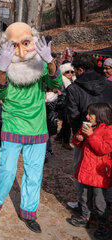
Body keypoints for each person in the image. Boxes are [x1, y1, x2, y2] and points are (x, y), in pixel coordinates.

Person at [0, 22, 62, 233]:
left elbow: (55, 84)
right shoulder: (5, 66)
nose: (20, 51)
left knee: (34, 173)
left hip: (37, 129)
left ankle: (28, 211)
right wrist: (2, 69)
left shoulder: (42, 64)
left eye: (26, 43)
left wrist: (50, 60)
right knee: (6, 170)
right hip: (12, 127)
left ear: (34, 41)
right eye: (14, 45)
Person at [65, 53, 112, 213]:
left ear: (79, 69)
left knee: (81, 171)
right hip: (107, 136)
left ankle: (84, 207)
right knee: (105, 171)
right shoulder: (109, 85)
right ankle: (104, 207)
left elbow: (73, 115)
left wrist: (81, 136)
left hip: (84, 135)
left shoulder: (73, 89)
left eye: (75, 70)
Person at [66, 103, 112, 239]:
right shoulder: (88, 126)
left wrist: (91, 135)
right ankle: (86, 217)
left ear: (100, 115)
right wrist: (79, 137)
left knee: (99, 200)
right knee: (85, 196)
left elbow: (103, 149)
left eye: (90, 114)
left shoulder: (108, 131)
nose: (87, 116)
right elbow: (77, 142)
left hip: (99, 174)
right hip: (86, 170)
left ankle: (104, 224)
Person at [55, 61, 76, 150]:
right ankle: (65, 141)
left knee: (66, 124)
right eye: (67, 72)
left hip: (68, 104)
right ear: (63, 72)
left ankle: (59, 136)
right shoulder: (61, 81)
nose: (70, 74)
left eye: (71, 71)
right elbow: (61, 95)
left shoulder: (73, 80)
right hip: (64, 105)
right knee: (67, 123)